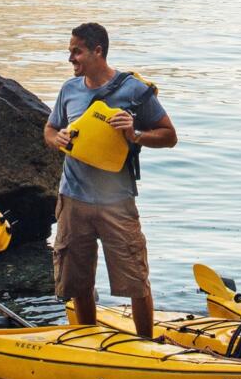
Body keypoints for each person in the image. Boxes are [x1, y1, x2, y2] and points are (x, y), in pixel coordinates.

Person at [42, 22, 177, 339]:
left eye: (76, 51)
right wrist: (56, 137)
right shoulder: (69, 89)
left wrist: (137, 134)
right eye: (70, 51)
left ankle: (146, 343)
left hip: (116, 201)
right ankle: (88, 341)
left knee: (135, 279)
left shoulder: (133, 91)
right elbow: (49, 130)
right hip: (73, 198)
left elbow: (170, 136)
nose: (71, 58)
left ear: (97, 51)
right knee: (78, 281)